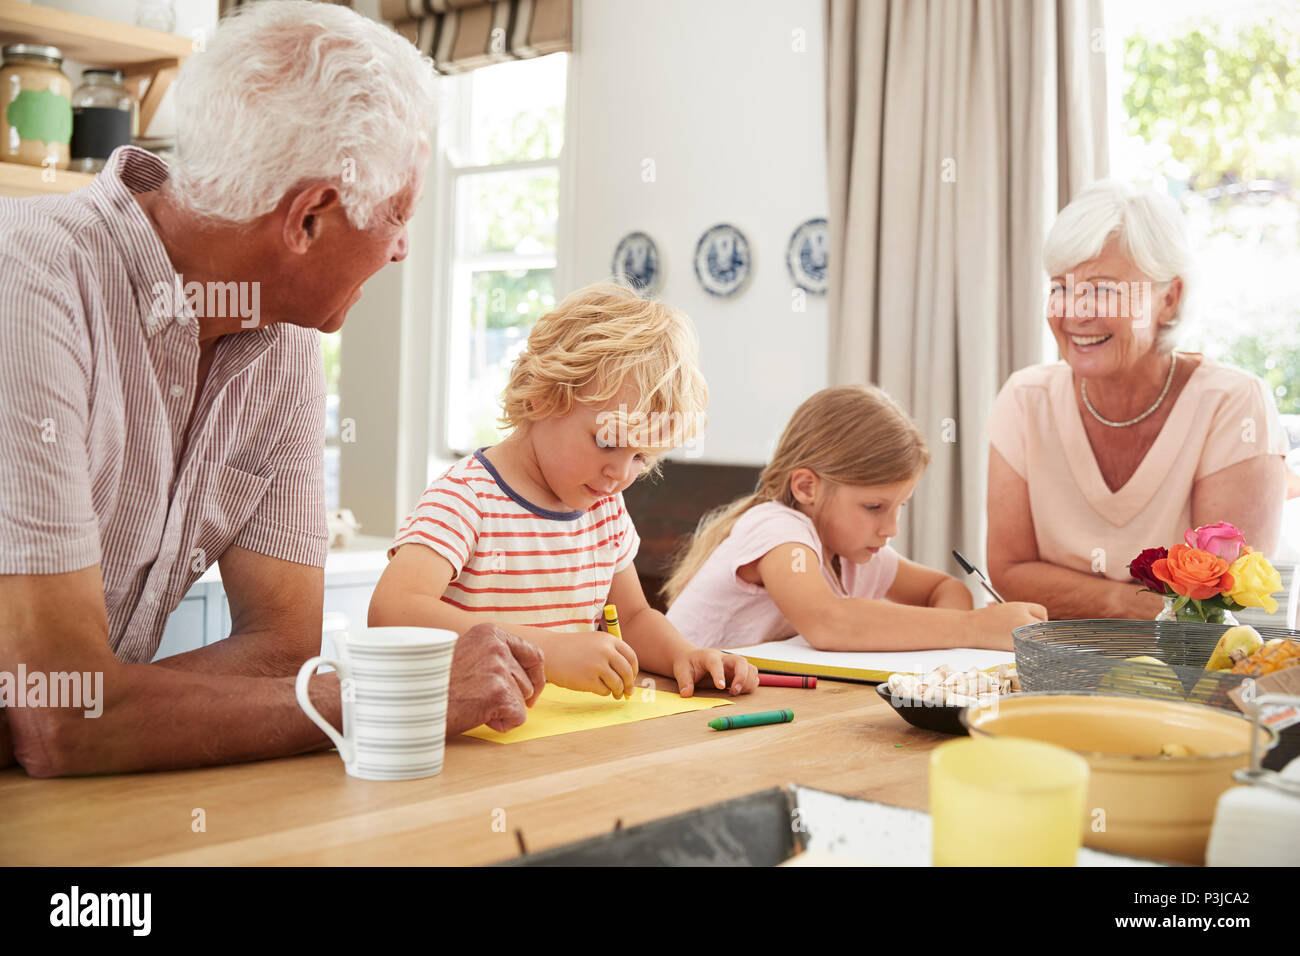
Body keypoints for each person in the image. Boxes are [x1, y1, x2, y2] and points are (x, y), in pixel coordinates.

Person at [0, 1, 542, 778]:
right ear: (310, 217)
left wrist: (101, 710)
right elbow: (64, 725)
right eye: (398, 215)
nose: (402, 249)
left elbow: (279, 653)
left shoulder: (282, 342)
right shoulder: (29, 282)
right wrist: (392, 698)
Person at [369, 283, 760, 698]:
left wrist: (684, 654)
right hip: (469, 735)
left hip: (558, 739)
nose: (619, 473)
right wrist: (546, 650)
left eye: (641, 458)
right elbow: (391, 613)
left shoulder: (604, 509)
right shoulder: (468, 498)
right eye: (608, 442)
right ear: (541, 396)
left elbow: (632, 616)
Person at [986, 181, 1288, 619]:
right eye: (1060, 287)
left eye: (1104, 289)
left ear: (1169, 298)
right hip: (1050, 670)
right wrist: (1123, 602)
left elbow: (1218, 601)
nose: (1075, 312)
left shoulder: (1234, 404)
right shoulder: (1025, 399)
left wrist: (1070, 594)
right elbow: (1009, 573)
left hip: (1189, 673)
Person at [661, 386, 1046, 650]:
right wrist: (973, 629)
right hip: (676, 709)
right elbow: (828, 622)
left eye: (900, 507)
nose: (891, 528)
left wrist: (942, 636)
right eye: (874, 507)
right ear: (806, 488)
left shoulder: (852, 553)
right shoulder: (777, 529)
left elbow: (945, 590)